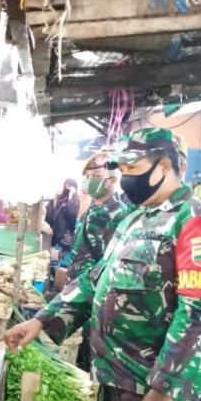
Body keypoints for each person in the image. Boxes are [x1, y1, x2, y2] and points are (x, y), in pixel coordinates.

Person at [4, 128, 201, 401]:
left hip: (153, 383)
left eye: (132, 170)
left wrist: (163, 388)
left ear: (164, 165)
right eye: (121, 170)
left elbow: (195, 314)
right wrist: (40, 321)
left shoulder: (194, 222)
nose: (124, 179)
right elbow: (95, 280)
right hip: (117, 378)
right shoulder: (134, 220)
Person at [68, 150, 132, 376]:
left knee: (89, 360)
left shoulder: (116, 214)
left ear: (112, 180)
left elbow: (109, 264)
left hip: (95, 298)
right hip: (81, 291)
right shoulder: (94, 208)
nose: (89, 180)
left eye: (95, 175)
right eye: (88, 175)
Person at [45, 178, 80, 252]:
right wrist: (54, 201)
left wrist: (73, 194)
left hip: (64, 238)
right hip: (53, 235)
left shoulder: (74, 199)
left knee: (61, 258)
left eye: (70, 186)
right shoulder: (58, 198)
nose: (67, 187)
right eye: (66, 185)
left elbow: (72, 212)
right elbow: (49, 217)